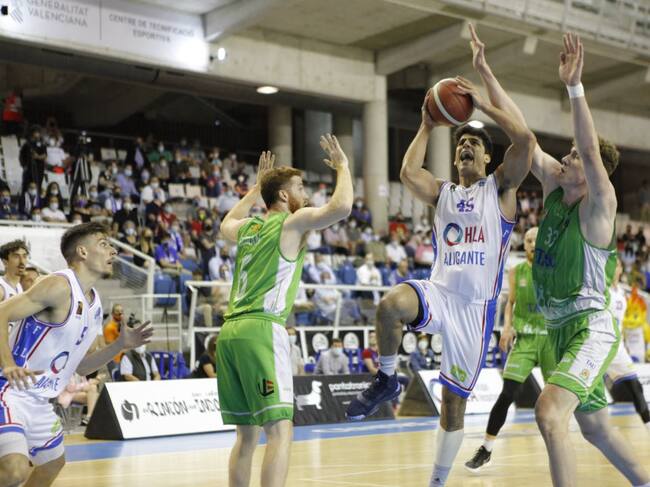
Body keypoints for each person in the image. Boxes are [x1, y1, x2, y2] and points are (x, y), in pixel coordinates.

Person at [346, 23, 536, 487]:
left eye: (475, 143)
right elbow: (407, 172)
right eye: (461, 143)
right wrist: (429, 124)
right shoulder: (443, 192)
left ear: (488, 159)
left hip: (475, 310)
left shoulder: (501, 190)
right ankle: (386, 378)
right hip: (440, 293)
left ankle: (436, 481)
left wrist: (484, 104)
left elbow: (526, 143)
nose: (466, 145)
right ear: (455, 159)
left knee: (453, 406)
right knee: (389, 304)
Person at [471, 27, 649, 486]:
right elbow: (523, 136)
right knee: (595, 430)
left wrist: (574, 86)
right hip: (558, 330)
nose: (565, 159)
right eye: (566, 155)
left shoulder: (598, 206)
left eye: (572, 157)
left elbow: (588, 149)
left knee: (549, 414)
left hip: (590, 328)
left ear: (590, 173)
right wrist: (486, 77)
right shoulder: (556, 187)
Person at [216, 135, 353, 487]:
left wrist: (254, 190)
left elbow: (226, 223)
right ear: (282, 196)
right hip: (262, 329)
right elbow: (342, 207)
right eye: (300, 188)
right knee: (280, 430)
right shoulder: (292, 221)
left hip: (229, 333)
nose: (304, 196)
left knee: (246, 436)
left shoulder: (248, 228)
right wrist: (342, 166)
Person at [0, 222, 153, 487]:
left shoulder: (94, 304)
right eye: (104, 244)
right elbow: (1, 312)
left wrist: (119, 345)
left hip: (39, 399)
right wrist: (8, 364)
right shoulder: (58, 285)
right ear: (82, 252)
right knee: (14, 472)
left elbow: (81, 367)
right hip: (9, 389)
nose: (113, 251)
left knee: (52, 464)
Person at [465, 227, 555, 472]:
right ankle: (486, 449)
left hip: (551, 339)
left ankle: (559, 447)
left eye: (536, 240)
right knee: (507, 394)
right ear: (523, 245)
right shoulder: (516, 271)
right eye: (528, 240)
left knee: (558, 399)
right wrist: (506, 328)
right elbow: (510, 303)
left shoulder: (556, 268)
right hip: (525, 339)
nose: (532, 244)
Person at [606, 257, 650, 430]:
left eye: (616, 264)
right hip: (598, 347)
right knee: (581, 392)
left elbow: (620, 324)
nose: (612, 267)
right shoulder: (600, 290)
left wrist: (624, 343)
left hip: (617, 349)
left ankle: (648, 424)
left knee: (635, 385)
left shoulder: (622, 295)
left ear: (620, 270)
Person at [0, 241, 28, 333]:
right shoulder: (1, 288)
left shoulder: (19, 287)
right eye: (16, 256)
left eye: (24, 256)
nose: (22, 261)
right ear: (5, 262)